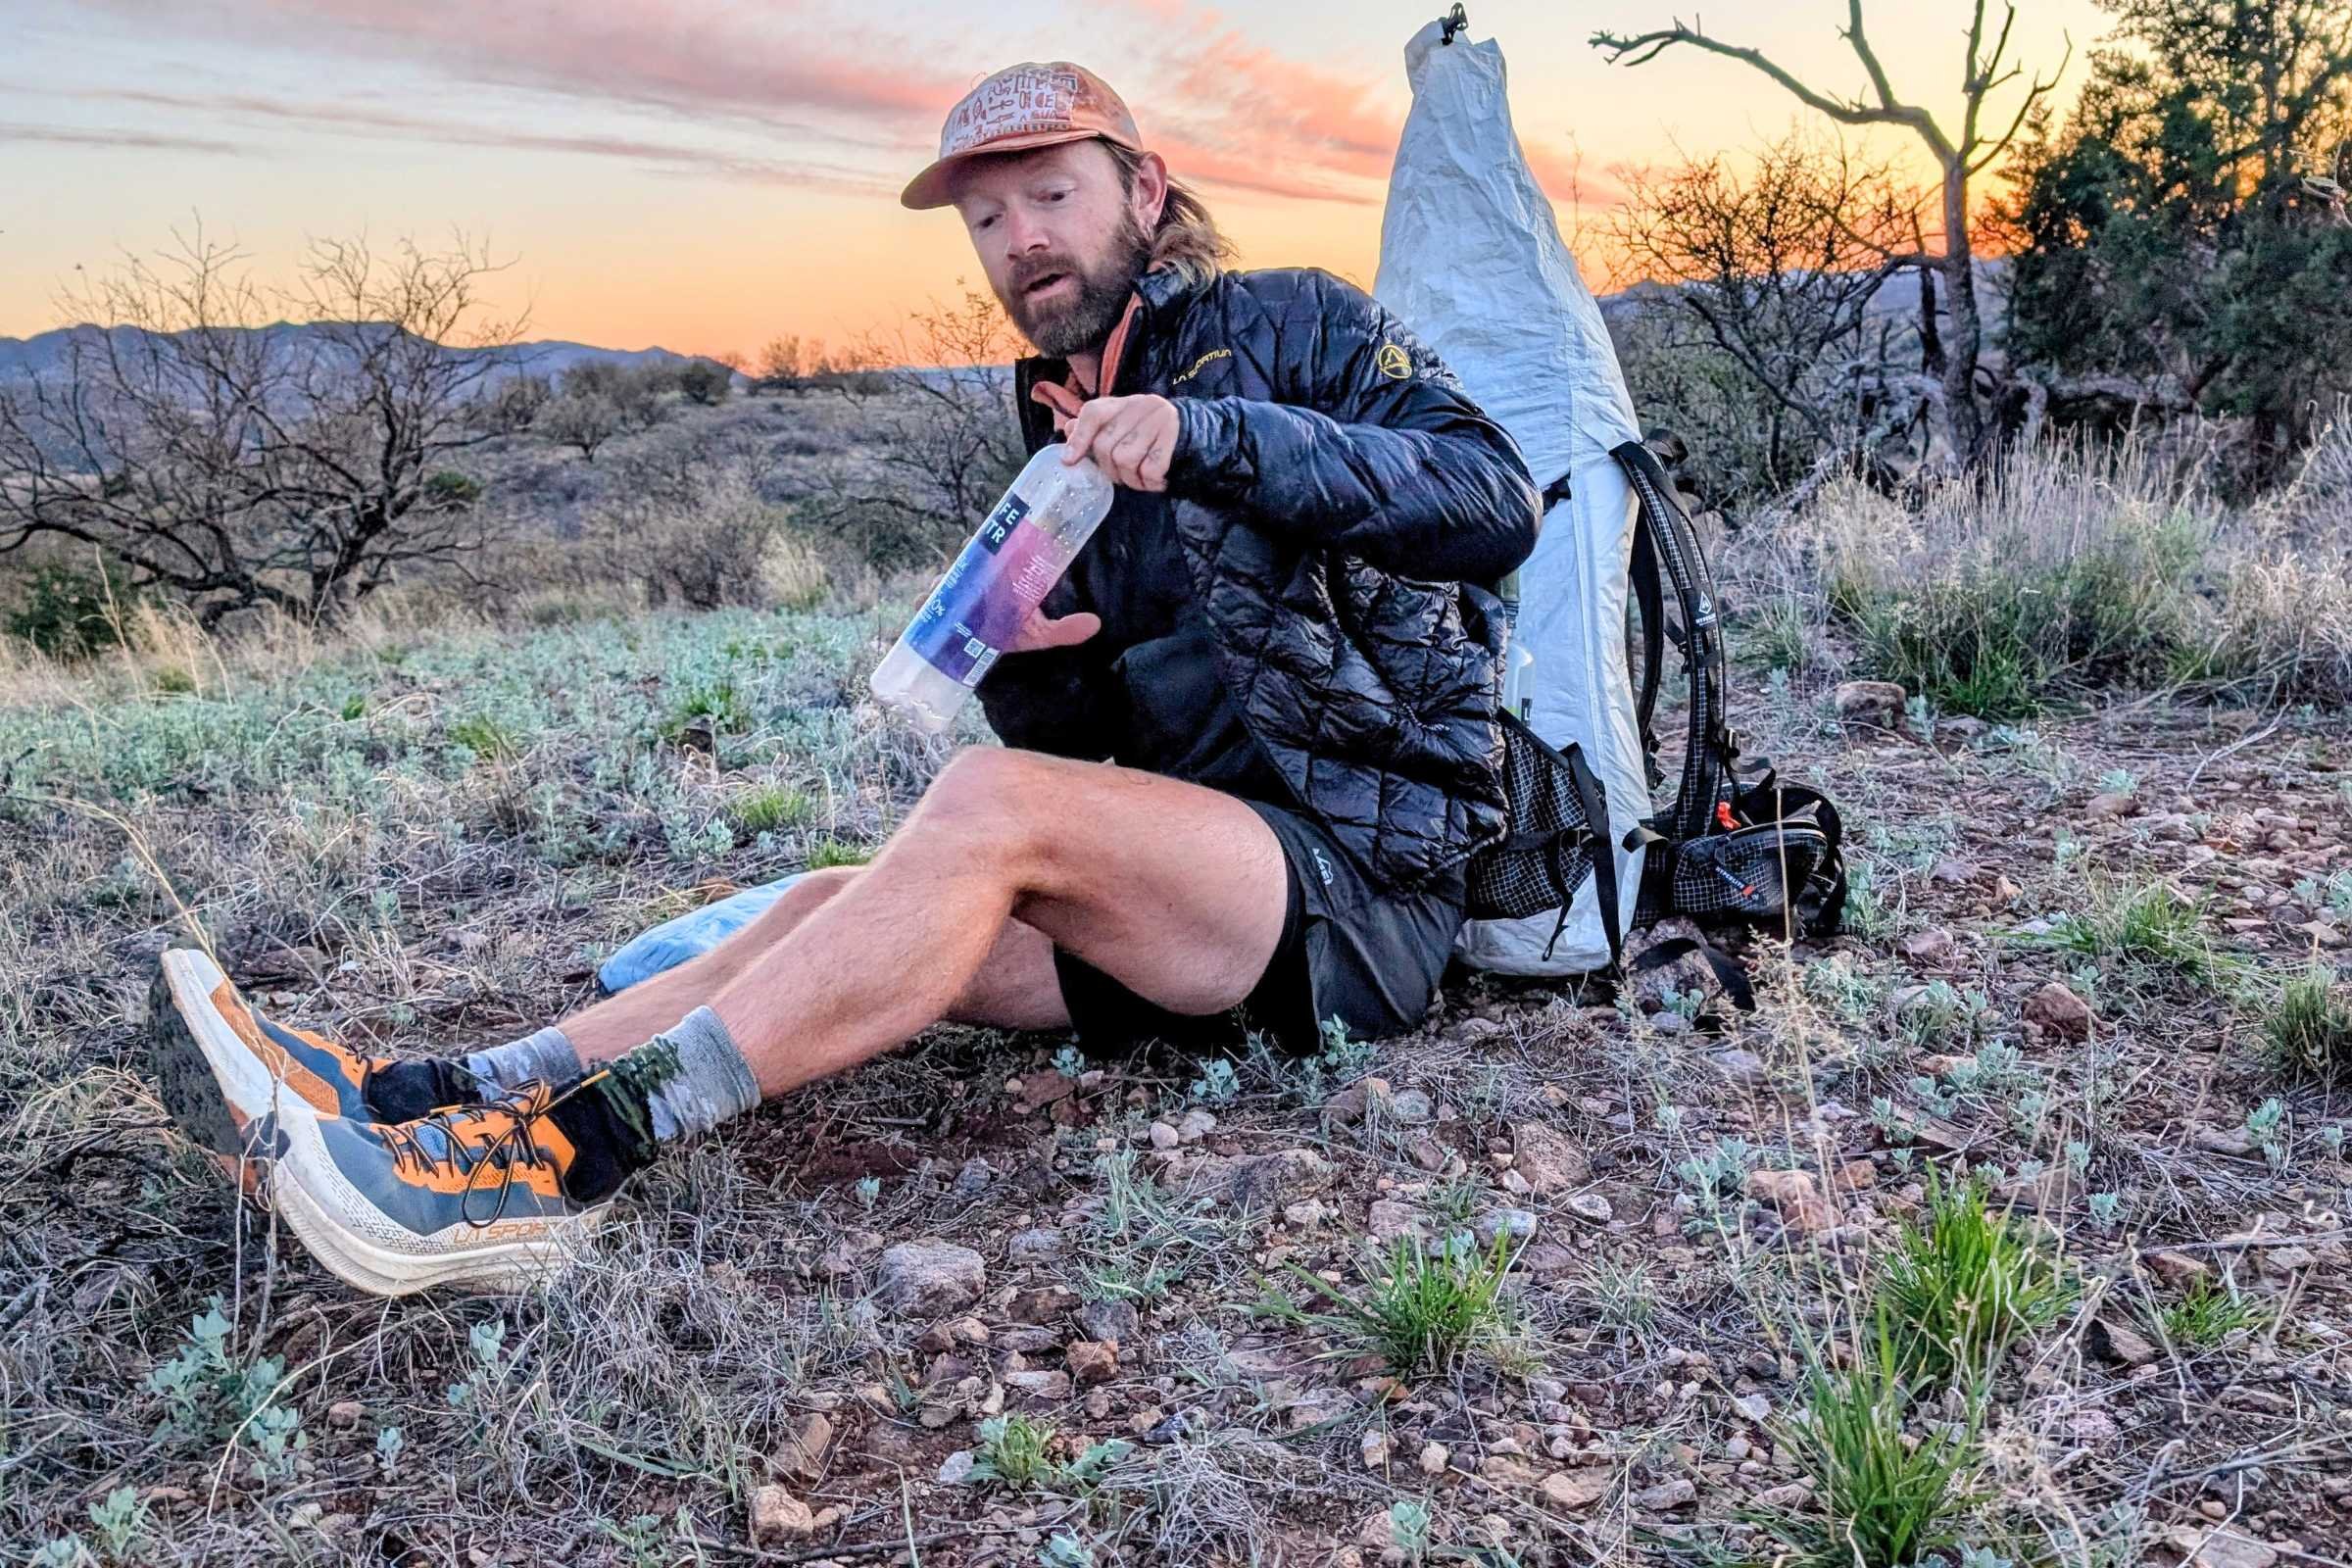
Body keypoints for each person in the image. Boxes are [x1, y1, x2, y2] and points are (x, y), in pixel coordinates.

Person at [150, 60, 1541, 1297]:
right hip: (1197, 902)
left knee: (988, 805)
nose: (1021, 241)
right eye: (988, 220)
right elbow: (1116, 748)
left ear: (1145, 189)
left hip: (1361, 887)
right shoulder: (1053, 418)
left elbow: (1494, 501)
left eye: (1051, 196)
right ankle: (429, 1097)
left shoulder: (1294, 325)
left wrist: (1210, 438)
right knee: (841, 902)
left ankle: (558, 1164)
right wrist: (1043, 675)